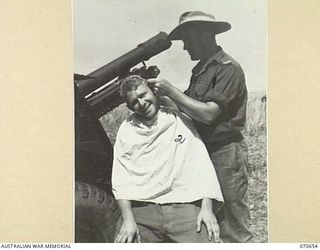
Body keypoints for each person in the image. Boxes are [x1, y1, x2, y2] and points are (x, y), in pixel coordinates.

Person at [147, 11, 253, 243]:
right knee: (207, 223)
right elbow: (186, 107)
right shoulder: (202, 69)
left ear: (204, 35)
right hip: (204, 151)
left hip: (225, 153)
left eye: (187, 40)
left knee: (233, 226)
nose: (185, 48)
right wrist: (153, 94)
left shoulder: (228, 68)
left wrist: (171, 90)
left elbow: (208, 114)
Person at [111, 75, 224, 243]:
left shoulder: (178, 119)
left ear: (154, 93)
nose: (141, 103)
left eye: (143, 95)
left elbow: (201, 164)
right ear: (129, 107)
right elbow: (121, 178)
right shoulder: (127, 130)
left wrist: (207, 209)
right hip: (143, 208)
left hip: (183, 205)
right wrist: (128, 219)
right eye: (134, 101)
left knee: (210, 240)